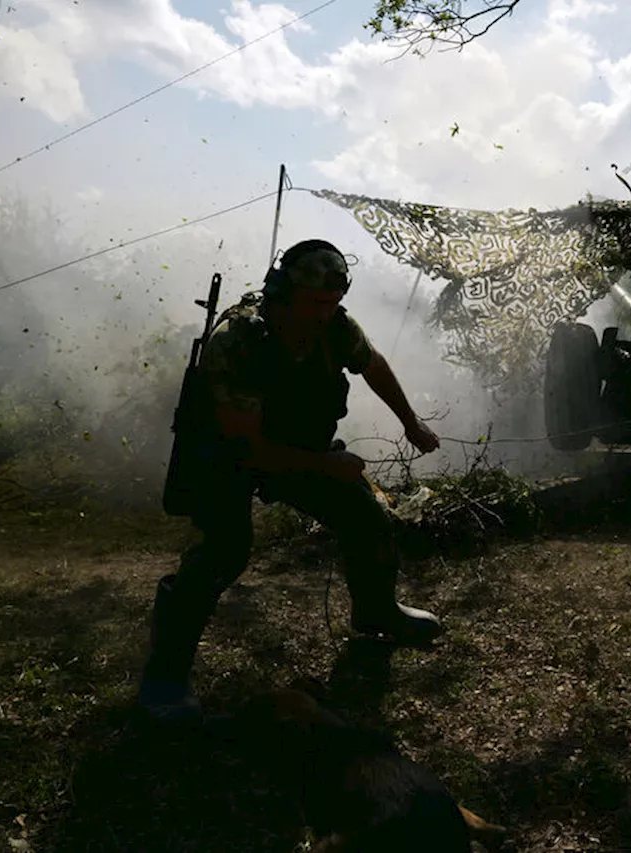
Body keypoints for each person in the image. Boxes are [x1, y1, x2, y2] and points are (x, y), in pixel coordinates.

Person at [138, 238, 445, 722]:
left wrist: (410, 421)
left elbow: (372, 363)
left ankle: (375, 613)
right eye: (313, 304)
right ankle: (164, 677)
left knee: (364, 513)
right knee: (223, 551)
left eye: (332, 304)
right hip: (227, 456)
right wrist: (326, 465)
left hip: (299, 449)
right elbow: (247, 447)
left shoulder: (334, 326)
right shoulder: (238, 342)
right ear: (282, 294)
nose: (324, 315)